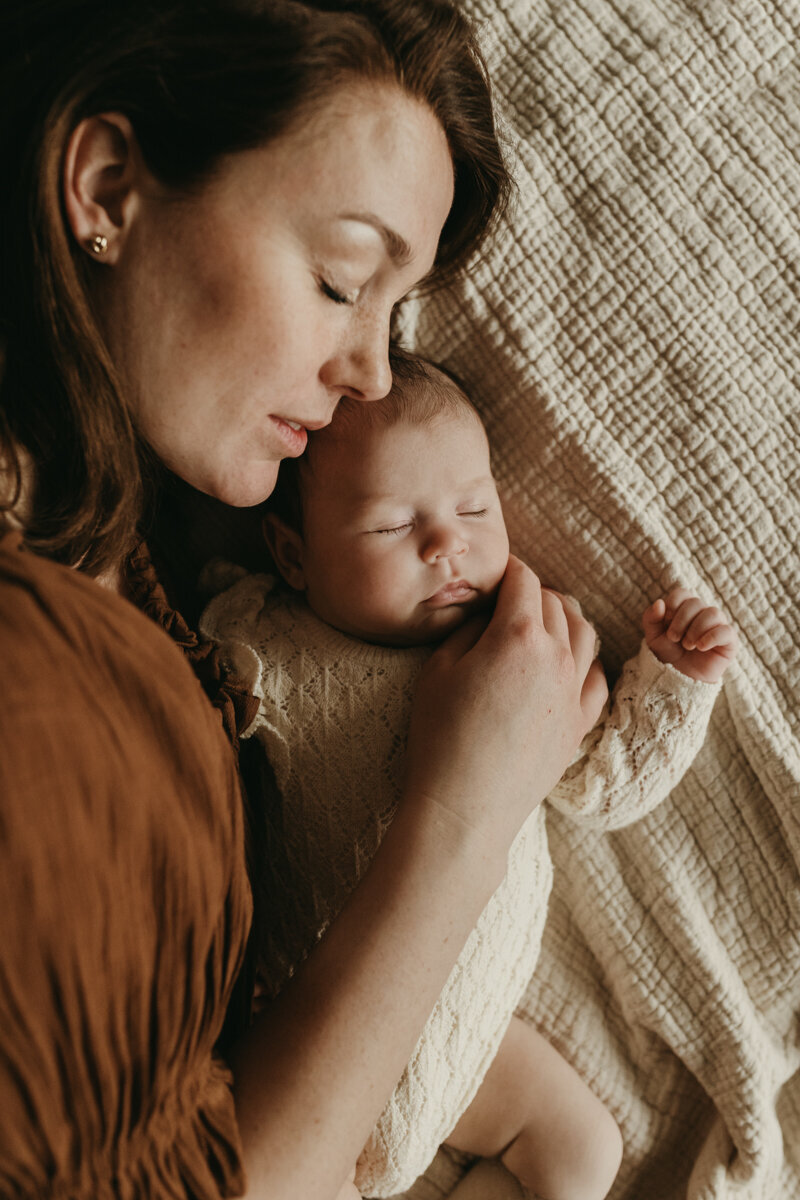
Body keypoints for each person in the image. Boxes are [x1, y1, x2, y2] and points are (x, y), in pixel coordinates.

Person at [0, 2, 611, 1198]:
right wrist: (461, 816)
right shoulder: (33, 672)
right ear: (108, 184)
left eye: (396, 316)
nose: (374, 372)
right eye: (339, 280)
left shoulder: (128, 535)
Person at [201, 352, 739, 1200]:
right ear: (294, 556)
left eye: (474, 509)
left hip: (466, 1037)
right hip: (312, 1020)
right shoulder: (263, 638)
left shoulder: (519, 661)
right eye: (389, 526)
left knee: (581, 1147)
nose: (445, 542)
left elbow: (609, 784)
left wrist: (674, 683)